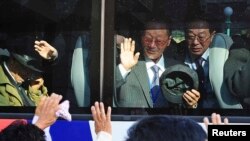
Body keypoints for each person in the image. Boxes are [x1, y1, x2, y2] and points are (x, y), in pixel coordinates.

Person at [115, 19, 200, 108]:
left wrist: (191, 105)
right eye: (148, 39)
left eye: (159, 41)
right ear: (141, 38)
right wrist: (124, 68)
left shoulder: (181, 70)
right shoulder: (126, 63)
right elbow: (107, 91)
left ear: (168, 41)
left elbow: (183, 108)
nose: (152, 45)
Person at [180, 18, 242, 109]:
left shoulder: (226, 59)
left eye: (201, 37)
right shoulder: (177, 61)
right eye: (190, 37)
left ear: (212, 36)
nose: (195, 42)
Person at [0, 36, 58, 106]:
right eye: (25, 69)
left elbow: (46, 111)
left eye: (32, 71)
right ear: (12, 61)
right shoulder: (2, 85)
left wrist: (35, 92)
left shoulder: (30, 83)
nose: (29, 75)